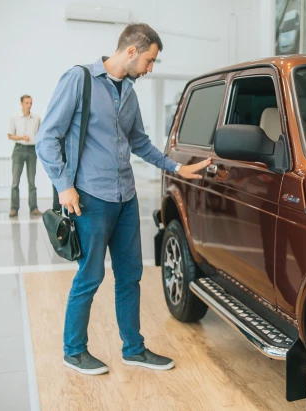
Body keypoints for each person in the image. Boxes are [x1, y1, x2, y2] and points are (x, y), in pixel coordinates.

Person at [36, 23, 211, 375]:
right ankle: (74, 351)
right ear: (131, 51)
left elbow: (141, 143)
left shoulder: (128, 93)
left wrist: (177, 168)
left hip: (125, 198)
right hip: (89, 197)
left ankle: (134, 348)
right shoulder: (80, 79)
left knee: (130, 275)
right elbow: (47, 137)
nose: (149, 68)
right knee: (90, 275)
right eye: (149, 60)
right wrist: (62, 184)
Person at [8, 95, 41, 217]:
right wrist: (22, 137)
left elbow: (40, 133)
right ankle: (14, 208)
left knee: (32, 181)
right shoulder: (14, 118)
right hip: (18, 150)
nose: (29, 105)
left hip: (32, 150)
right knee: (15, 182)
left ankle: (34, 208)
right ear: (21, 103)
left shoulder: (36, 118)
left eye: (31, 103)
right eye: (27, 103)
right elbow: (10, 135)